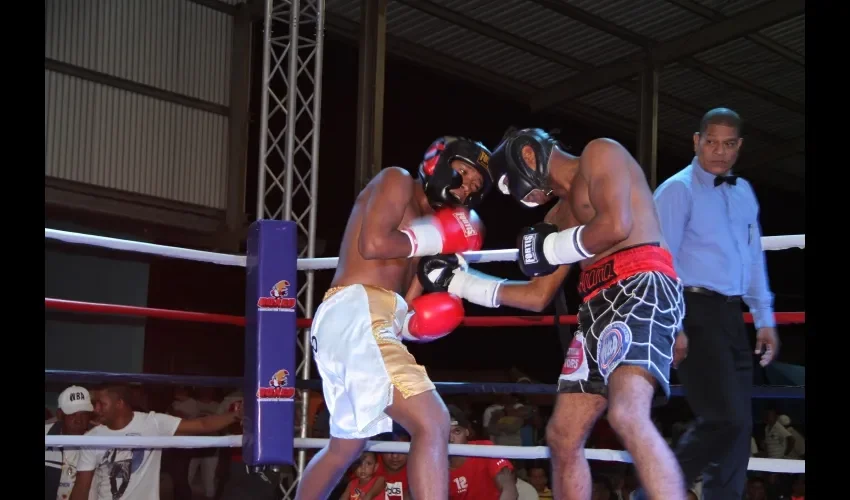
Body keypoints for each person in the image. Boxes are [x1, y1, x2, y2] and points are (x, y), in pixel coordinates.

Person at [418, 128, 687, 499]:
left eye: (508, 184)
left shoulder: (600, 152)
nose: (515, 196)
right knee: (562, 436)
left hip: (640, 284)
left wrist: (555, 247)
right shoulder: (558, 214)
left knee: (627, 413)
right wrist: (458, 281)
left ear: (527, 156)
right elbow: (537, 295)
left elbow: (617, 225)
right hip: (595, 304)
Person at [295, 136, 494, 500]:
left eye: (473, 187)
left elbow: (404, 305)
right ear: (439, 161)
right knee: (432, 422)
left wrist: (420, 322)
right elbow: (372, 244)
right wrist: (436, 239)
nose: (465, 187)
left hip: (366, 321)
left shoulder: (432, 229)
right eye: (464, 173)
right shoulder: (397, 180)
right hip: (357, 312)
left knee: (346, 448)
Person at [649, 108, 780, 500]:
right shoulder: (678, 189)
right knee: (724, 418)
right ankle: (654, 493)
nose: (719, 152)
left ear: (739, 146)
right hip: (692, 310)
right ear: (696, 141)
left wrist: (764, 318)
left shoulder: (743, 192)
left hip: (730, 314)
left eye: (728, 144)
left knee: (739, 432)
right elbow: (659, 261)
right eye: (711, 142)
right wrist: (673, 325)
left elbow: (752, 258)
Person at [68, 384, 242, 500]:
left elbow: (202, 424)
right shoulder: (93, 436)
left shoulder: (151, 423)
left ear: (119, 404)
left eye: (101, 403)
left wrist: (236, 414)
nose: (95, 409)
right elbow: (82, 486)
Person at [446, 405, 518, 500]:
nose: (451, 439)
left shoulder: (484, 450)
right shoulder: (433, 465)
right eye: (444, 432)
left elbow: (509, 490)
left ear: (467, 431)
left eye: (457, 431)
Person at [45, 385, 96, 500]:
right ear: (60, 415)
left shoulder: (100, 438)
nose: (79, 420)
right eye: (72, 414)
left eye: (84, 414)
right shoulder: (47, 436)